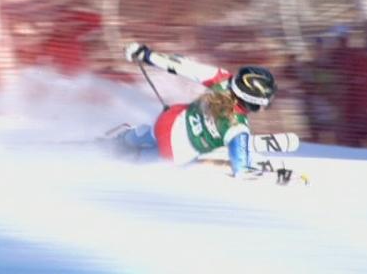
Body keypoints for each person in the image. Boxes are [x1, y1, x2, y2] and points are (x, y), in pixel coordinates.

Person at [116, 42, 278, 177]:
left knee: (140, 136)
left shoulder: (221, 78)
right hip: (174, 152)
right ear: (252, 101)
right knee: (139, 163)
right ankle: (117, 162)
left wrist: (145, 54)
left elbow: (181, 66)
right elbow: (241, 169)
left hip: (168, 122)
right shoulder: (238, 128)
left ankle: (116, 142)